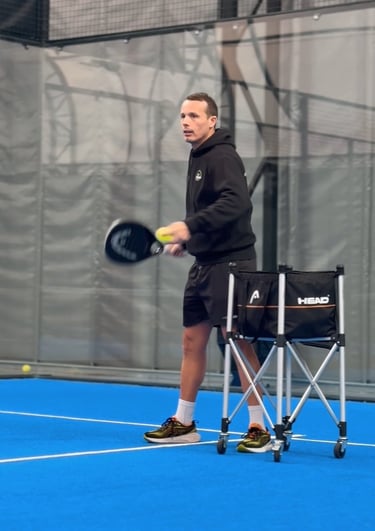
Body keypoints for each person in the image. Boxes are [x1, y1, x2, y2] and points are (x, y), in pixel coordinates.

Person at [143, 92, 271, 453]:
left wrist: (187, 225)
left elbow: (236, 202)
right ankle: (184, 422)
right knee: (191, 342)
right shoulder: (198, 155)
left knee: (239, 344)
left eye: (194, 116)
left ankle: (259, 427)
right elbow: (210, 212)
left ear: (211, 121)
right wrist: (190, 239)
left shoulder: (222, 155)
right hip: (204, 265)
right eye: (182, 115)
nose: (186, 121)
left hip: (232, 265)